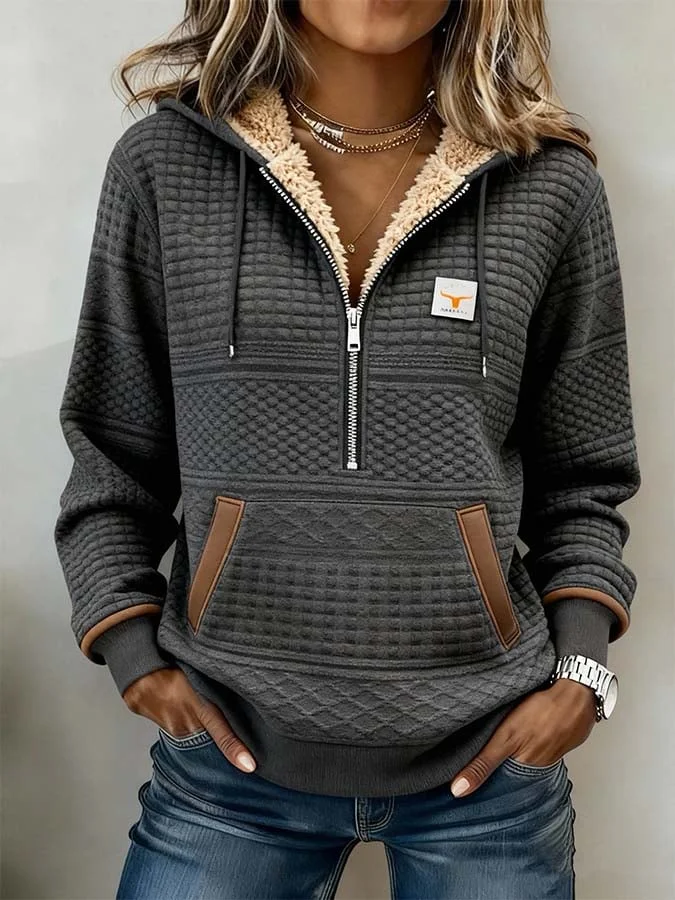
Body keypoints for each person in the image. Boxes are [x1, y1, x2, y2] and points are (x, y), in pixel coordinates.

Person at [54, 0, 642, 897]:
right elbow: (110, 454)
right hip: (227, 767)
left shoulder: (547, 184)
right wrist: (133, 654)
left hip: (490, 765)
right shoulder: (166, 166)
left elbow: (585, 477)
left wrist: (579, 674)